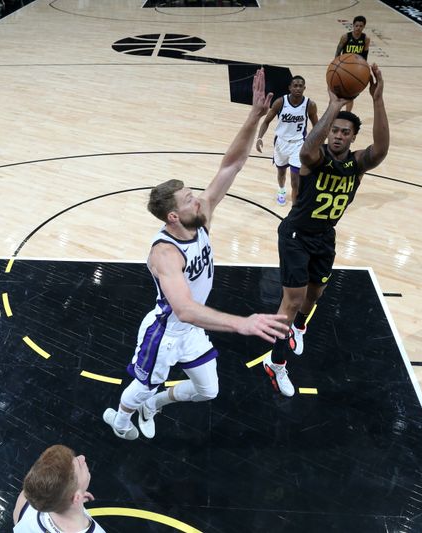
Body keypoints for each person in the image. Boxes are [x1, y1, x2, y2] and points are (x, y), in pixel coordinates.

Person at [102, 68, 289, 441]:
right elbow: (185, 309)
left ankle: (154, 407)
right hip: (167, 331)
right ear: (174, 216)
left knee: (208, 390)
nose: (199, 198)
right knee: (140, 387)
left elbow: (230, 165)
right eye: (189, 198)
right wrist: (242, 323)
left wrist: (253, 116)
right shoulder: (165, 253)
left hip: (191, 330)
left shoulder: (200, 215)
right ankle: (120, 421)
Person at [263, 65, 390, 397]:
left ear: (352, 138)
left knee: (315, 295)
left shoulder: (357, 165)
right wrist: (334, 105)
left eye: (345, 132)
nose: (338, 135)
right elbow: (306, 149)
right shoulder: (314, 159)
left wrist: (377, 99)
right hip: (295, 234)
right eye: (334, 130)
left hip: (324, 236)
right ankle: (276, 365)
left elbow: (382, 150)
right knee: (291, 300)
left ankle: (299, 328)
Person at [255, 75, 319, 206]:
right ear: (289, 88)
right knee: (281, 173)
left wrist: (314, 143)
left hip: (298, 145)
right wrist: (259, 138)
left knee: (295, 179)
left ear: (304, 88)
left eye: (301, 86)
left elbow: (317, 126)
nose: (298, 88)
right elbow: (266, 121)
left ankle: (295, 207)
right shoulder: (280, 102)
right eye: (295, 85)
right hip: (281, 143)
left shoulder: (310, 104)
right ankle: (282, 191)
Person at [13, 445, 105, 533]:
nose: (82, 457)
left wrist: (75, 495)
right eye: (80, 466)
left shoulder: (26, 502)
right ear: (76, 497)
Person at [334, 15, 370, 112]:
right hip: (344, 67)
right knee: (337, 93)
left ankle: (347, 114)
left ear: (364, 27)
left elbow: (365, 57)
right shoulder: (345, 37)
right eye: (356, 25)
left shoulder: (366, 39)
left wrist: (364, 71)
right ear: (353, 25)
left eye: (361, 26)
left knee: (350, 94)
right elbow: (337, 53)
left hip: (356, 70)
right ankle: (334, 112)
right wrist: (336, 66)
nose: (358, 28)